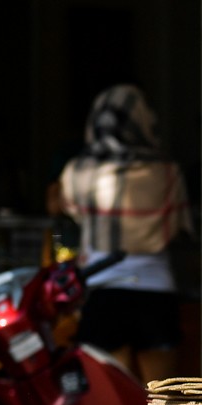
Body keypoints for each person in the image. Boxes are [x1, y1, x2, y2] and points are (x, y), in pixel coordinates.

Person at [58, 85, 192, 385]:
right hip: (156, 292)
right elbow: (177, 226)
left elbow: (71, 210)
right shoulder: (167, 171)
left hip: (102, 292)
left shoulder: (76, 171)